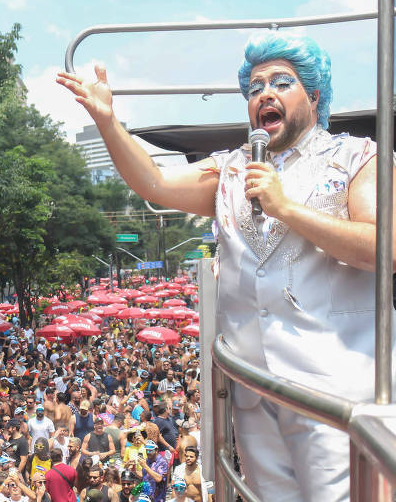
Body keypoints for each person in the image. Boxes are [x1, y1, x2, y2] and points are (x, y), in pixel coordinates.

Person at [57, 30, 395, 502]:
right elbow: (153, 182)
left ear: (315, 94)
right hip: (255, 395)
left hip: (332, 397)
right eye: (255, 88)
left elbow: (386, 246)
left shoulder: (358, 157)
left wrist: (287, 209)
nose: (265, 95)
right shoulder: (230, 169)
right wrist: (110, 123)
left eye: (281, 82)